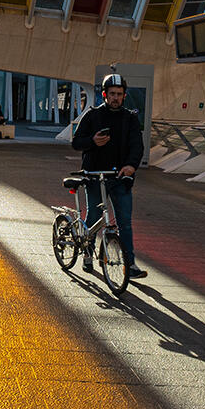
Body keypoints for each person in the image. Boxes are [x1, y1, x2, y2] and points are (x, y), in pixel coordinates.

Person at [70, 73, 147, 280]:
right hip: (94, 176)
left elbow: (137, 146)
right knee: (94, 217)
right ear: (104, 94)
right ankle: (88, 253)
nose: (115, 97)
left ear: (124, 96)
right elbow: (76, 142)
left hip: (119, 177)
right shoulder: (92, 116)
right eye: (112, 94)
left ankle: (129, 265)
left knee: (125, 222)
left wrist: (131, 166)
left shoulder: (130, 118)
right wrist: (92, 141)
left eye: (119, 94)